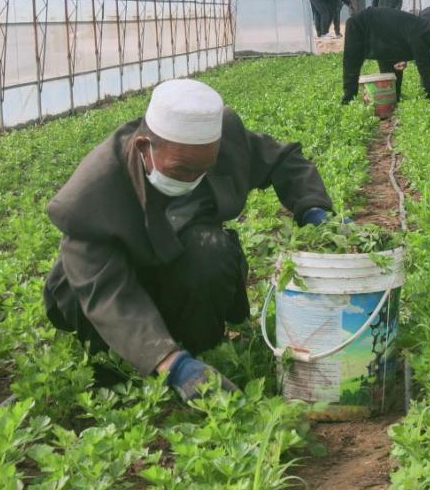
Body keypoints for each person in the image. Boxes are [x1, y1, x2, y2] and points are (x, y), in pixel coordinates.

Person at [42, 79, 335, 402]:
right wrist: (171, 364)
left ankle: (201, 352)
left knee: (211, 249)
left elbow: (282, 159)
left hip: (175, 260)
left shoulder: (223, 137)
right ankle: (130, 374)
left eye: (203, 169)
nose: (193, 179)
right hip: (107, 283)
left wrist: (313, 208)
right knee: (85, 307)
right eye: (181, 169)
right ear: (144, 147)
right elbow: (106, 293)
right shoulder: (91, 194)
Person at [341, 7, 430, 104]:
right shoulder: (422, 33)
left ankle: (392, 97)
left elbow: (403, 38)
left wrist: (403, 58)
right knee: (352, 63)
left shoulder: (427, 30)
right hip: (360, 24)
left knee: (391, 62)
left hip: (384, 35)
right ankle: (348, 100)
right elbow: (424, 65)